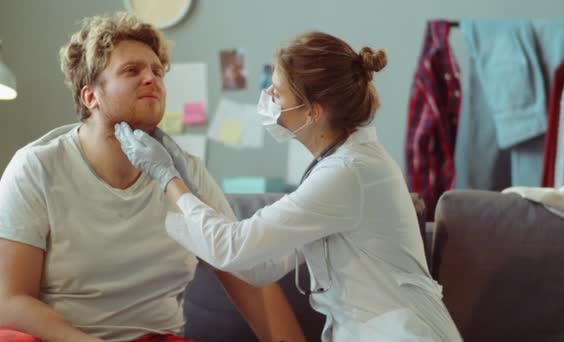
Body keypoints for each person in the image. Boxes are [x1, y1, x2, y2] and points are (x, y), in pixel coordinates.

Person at [0, 13, 305, 342]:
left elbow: (247, 274)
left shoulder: (186, 173)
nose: (152, 79)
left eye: (157, 71)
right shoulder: (36, 167)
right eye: (132, 70)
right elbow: (9, 302)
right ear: (91, 96)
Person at [115, 31, 464, 341]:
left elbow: (232, 248)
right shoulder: (337, 165)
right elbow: (258, 267)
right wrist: (185, 180)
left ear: (313, 111)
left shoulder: (348, 173)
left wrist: (166, 177)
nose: (268, 96)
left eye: (277, 91)